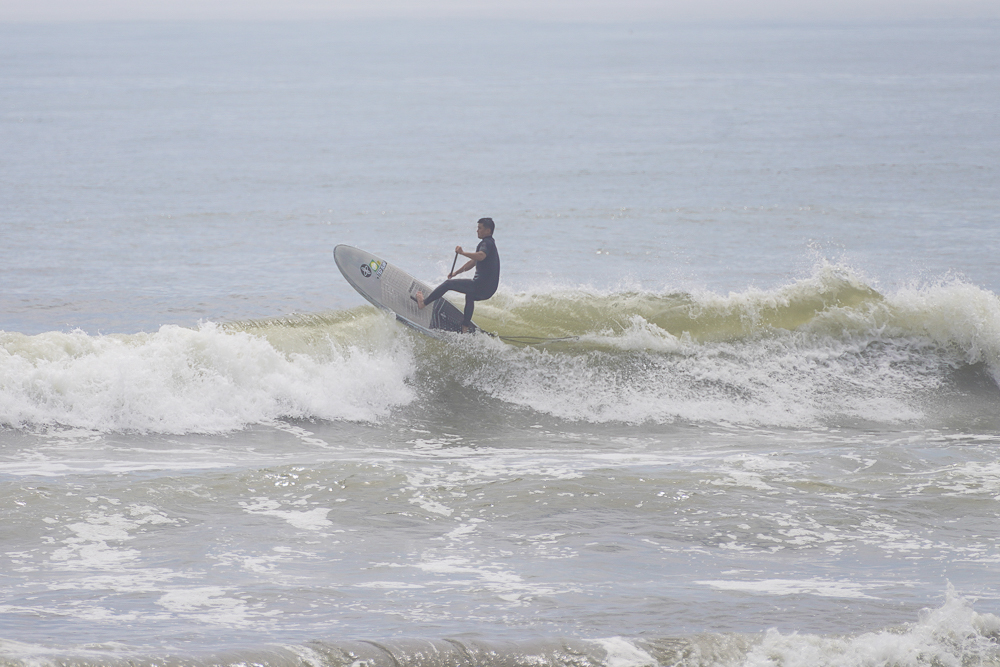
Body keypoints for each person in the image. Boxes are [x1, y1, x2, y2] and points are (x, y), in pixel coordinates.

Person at [416, 217, 500, 332]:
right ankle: (465, 327)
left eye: (480, 228)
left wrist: (462, 253)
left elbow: (481, 256)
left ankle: (423, 303)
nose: (477, 230)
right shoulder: (491, 244)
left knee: (448, 284)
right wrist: (456, 272)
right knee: (470, 295)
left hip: (481, 286)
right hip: (488, 290)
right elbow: (473, 262)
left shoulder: (486, 243)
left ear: (488, 230)